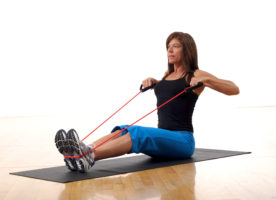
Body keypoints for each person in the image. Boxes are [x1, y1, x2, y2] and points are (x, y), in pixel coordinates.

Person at [55, 32, 240, 172]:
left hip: (183, 141)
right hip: (165, 137)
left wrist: (207, 81)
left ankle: (89, 156)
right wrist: (154, 83)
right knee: (123, 129)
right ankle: (80, 152)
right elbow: (170, 90)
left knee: (138, 133)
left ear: (187, 50)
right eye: (168, 46)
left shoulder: (195, 74)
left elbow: (234, 89)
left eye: (175, 46)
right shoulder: (168, 75)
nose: (169, 50)